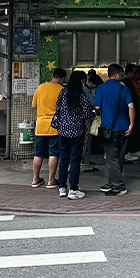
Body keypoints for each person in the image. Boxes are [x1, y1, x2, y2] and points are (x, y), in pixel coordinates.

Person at [95, 63, 134, 196]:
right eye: (121, 74)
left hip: (108, 128)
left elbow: (97, 108)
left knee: (111, 158)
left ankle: (118, 186)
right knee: (119, 157)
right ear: (117, 74)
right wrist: (132, 124)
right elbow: (131, 107)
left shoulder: (101, 88)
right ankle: (112, 181)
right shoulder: (124, 89)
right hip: (124, 128)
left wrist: (100, 112)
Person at [55, 70, 94, 199]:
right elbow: (87, 113)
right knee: (75, 160)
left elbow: (58, 109)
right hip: (77, 131)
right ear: (81, 80)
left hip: (63, 131)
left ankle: (62, 188)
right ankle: (73, 189)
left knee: (63, 160)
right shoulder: (82, 94)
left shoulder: (63, 92)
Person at [31, 67, 67, 189]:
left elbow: (33, 105)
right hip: (55, 126)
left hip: (40, 126)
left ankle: (35, 178)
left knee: (38, 153)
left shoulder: (40, 87)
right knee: (54, 153)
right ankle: (51, 180)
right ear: (62, 78)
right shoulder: (62, 90)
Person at [123, 64, 140, 162]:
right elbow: (132, 97)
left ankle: (132, 150)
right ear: (128, 72)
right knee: (130, 131)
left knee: (134, 131)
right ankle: (127, 151)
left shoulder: (130, 82)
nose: (135, 74)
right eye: (133, 72)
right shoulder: (126, 83)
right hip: (130, 110)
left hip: (134, 109)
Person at [82, 72, 104, 172]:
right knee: (86, 142)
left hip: (71, 123)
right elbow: (93, 102)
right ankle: (87, 164)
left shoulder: (66, 91)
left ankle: (72, 164)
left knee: (75, 143)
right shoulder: (85, 90)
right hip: (86, 119)